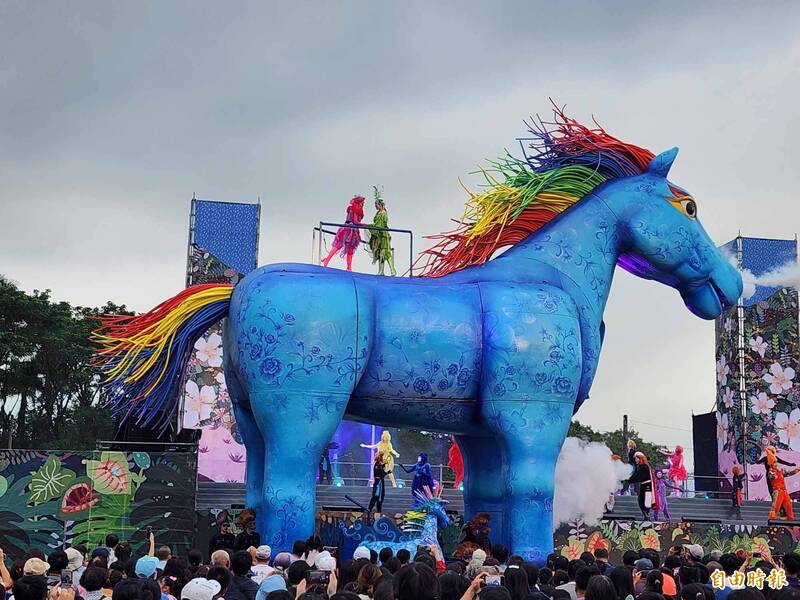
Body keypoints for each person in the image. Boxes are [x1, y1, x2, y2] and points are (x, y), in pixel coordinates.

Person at [322, 195, 366, 272]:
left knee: (346, 247)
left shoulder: (352, 208)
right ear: (359, 203)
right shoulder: (356, 209)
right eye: (363, 202)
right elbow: (355, 221)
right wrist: (365, 225)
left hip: (348, 227)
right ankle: (347, 267)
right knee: (344, 246)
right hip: (350, 229)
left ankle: (347, 267)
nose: (363, 204)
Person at [368, 187, 397, 277]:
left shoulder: (383, 213)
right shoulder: (379, 213)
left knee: (385, 253)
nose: (375, 206)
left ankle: (392, 270)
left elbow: (379, 225)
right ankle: (381, 271)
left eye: (376, 204)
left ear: (379, 204)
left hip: (383, 235)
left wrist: (368, 226)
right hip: (379, 236)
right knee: (380, 253)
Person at [626, 453, 656, 520]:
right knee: (643, 501)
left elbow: (640, 476)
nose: (635, 460)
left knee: (644, 501)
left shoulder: (644, 466)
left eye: (636, 458)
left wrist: (630, 480)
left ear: (640, 459)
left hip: (647, 485)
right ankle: (646, 515)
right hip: (644, 485)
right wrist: (629, 479)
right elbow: (636, 476)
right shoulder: (642, 466)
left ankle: (646, 515)